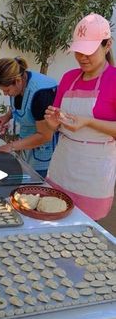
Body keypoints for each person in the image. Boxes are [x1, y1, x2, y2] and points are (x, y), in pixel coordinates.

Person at [45, 13, 116, 220]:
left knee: (83, 232)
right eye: (78, 52)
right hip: (63, 164)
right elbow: (55, 125)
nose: (82, 57)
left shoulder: (114, 80)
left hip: (94, 171)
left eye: (89, 51)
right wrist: (52, 124)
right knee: (52, 219)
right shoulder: (68, 78)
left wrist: (89, 122)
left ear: (107, 45)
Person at [0, 57, 58, 177]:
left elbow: (45, 135)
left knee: (36, 189)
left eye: (7, 90)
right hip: (28, 147)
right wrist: (7, 116)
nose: (5, 94)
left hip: (45, 154)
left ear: (18, 81)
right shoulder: (18, 84)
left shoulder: (41, 94)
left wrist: (10, 146)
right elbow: (21, 106)